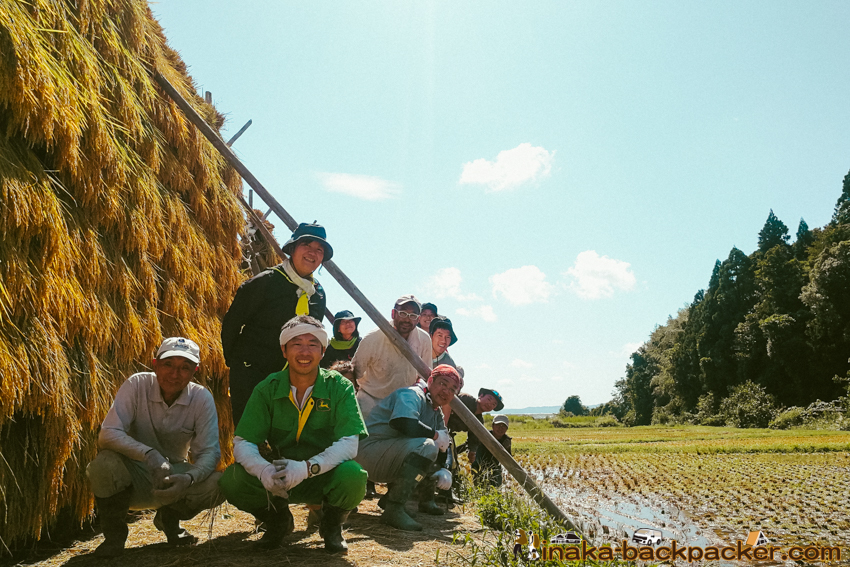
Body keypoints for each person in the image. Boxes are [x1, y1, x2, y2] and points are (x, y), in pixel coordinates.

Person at [219, 316, 368, 554]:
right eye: (296, 343)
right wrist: (263, 470)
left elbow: (349, 443)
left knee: (353, 476)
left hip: (323, 475)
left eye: (312, 343)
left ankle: (331, 527)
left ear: (323, 351)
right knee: (232, 479)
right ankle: (278, 522)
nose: (304, 351)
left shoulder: (339, 386)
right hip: (279, 477)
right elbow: (243, 441)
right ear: (284, 350)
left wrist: (307, 468)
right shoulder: (267, 387)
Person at [85, 338, 223, 557]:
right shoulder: (136, 384)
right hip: (134, 477)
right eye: (168, 364)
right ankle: (114, 538)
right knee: (104, 464)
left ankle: (169, 518)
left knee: (217, 483)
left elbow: (209, 452)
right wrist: (150, 455)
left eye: (184, 368)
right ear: (155, 364)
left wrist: (187, 479)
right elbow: (108, 434)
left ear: (194, 372)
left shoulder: (201, 398)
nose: (175, 374)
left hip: (173, 480)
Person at [222, 222, 331, 426]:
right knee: (250, 438)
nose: (312, 253)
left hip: (291, 381)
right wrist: (238, 365)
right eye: (306, 245)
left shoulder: (318, 294)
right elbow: (232, 324)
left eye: (319, 249)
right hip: (252, 376)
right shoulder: (264, 283)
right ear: (292, 248)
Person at [355, 365, 461, 531]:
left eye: (452, 389)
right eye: (443, 384)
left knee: (430, 448)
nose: (447, 391)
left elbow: (444, 441)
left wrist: (445, 468)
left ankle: (392, 499)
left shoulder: (435, 410)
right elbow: (403, 422)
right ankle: (394, 508)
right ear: (431, 381)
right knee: (426, 447)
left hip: (388, 454)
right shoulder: (412, 394)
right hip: (369, 453)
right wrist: (435, 436)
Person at [353, 294, 431, 421]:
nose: (407, 319)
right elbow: (354, 372)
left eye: (412, 316)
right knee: (366, 437)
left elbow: (425, 377)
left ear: (418, 319)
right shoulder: (373, 338)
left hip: (403, 403)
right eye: (403, 313)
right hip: (371, 398)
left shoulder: (424, 339)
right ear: (393, 314)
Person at [453, 387, 504, 464]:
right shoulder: (465, 399)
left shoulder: (479, 421)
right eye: (489, 399)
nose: (490, 404)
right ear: (481, 395)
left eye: (494, 404)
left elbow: (473, 440)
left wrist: (472, 452)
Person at [472, 414, 512, 487]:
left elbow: (509, 459)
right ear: (493, 426)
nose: (500, 428)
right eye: (498, 425)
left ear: (507, 428)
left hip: (495, 468)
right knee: (479, 487)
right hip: (479, 466)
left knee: (496, 487)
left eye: (503, 426)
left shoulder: (506, 440)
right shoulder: (483, 435)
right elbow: (472, 445)